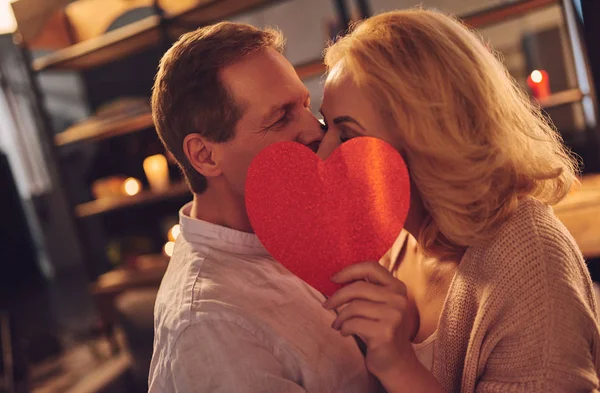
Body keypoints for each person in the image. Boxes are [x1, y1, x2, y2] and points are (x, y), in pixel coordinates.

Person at [316, 9, 600, 393]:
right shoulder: (396, 238)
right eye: (325, 126)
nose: (322, 157)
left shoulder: (531, 264)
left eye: (347, 135)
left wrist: (399, 366)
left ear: (427, 139)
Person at [148, 22, 379, 392]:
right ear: (205, 155)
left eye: (304, 104)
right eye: (280, 117)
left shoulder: (299, 229)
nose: (316, 130)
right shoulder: (210, 325)